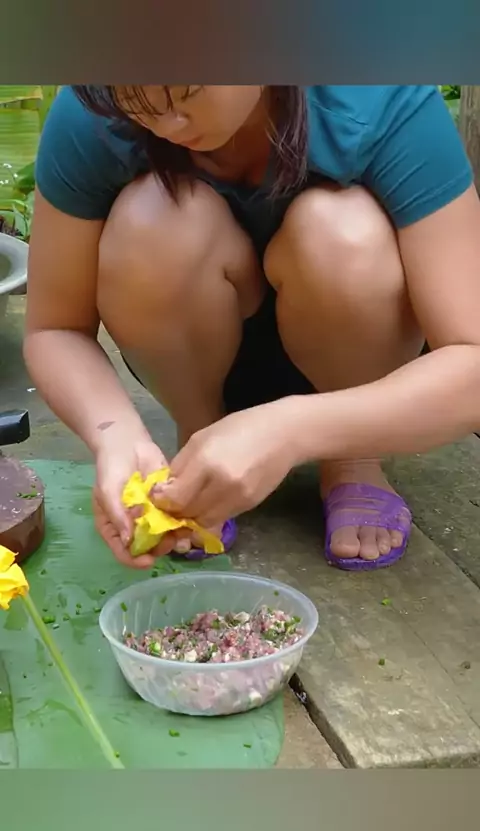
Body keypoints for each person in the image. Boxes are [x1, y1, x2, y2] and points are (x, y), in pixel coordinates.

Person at [24, 85, 480, 572]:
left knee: (341, 230)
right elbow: (56, 328)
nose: (167, 124)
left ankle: (353, 458)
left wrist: (292, 430)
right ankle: (200, 438)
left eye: (188, 92)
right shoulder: (96, 103)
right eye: (136, 103)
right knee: (153, 217)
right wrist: (115, 435)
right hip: (193, 351)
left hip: (362, 361)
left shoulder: (376, 93)